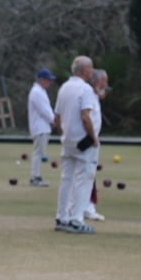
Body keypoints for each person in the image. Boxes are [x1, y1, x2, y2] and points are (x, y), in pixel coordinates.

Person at [54, 56, 99, 235]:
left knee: (67, 179)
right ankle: (76, 220)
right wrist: (93, 137)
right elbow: (85, 116)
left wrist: (64, 134)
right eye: (90, 68)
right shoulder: (85, 89)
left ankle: (62, 217)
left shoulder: (64, 87)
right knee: (85, 178)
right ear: (82, 70)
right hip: (83, 142)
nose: (93, 71)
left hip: (68, 141)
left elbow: (56, 118)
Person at [82, 69, 109, 222]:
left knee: (89, 174)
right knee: (87, 174)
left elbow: (102, 94)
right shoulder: (88, 96)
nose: (106, 85)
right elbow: (85, 119)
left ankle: (86, 206)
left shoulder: (94, 96)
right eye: (104, 81)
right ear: (96, 81)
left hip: (92, 141)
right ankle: (87, 208)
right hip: (88, 142)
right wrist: (92, 138)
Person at [28, 68, 55, 188]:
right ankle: (35, 178)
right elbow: (44, 110)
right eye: (48, 80)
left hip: (43, 127)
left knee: (39, 152)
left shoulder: (41, 91)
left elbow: (46, 109)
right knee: (38, 153)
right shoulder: (36, 92)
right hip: (40, 127)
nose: (49, 82)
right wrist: (54, 120)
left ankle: (36, 177)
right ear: (42, 80)